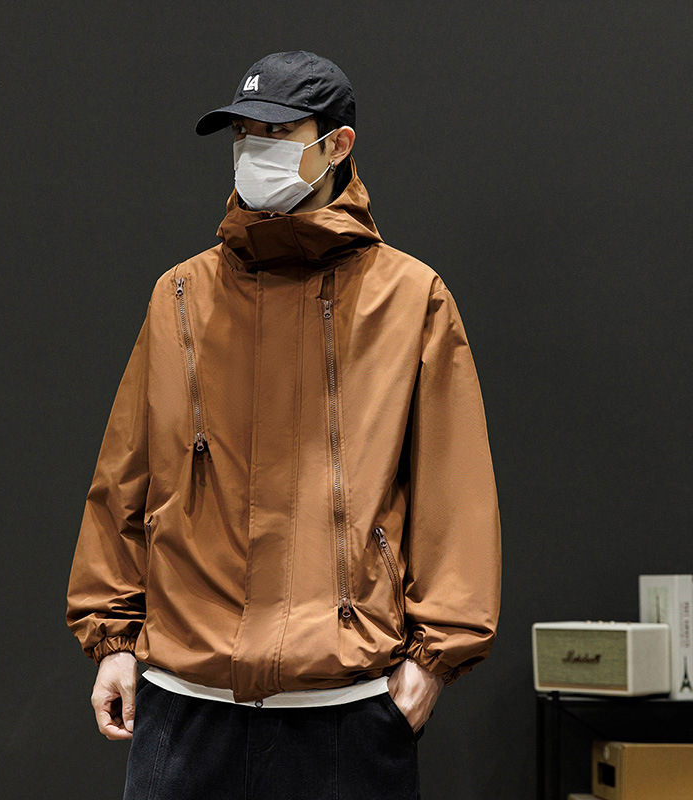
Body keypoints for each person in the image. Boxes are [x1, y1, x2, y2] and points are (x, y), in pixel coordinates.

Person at [66, 49, 502, 800]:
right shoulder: (180, 296)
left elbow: (454, 490)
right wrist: (112, 638)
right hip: (184, 706)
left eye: (274, 132)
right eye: (242, 133)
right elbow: (125, 477)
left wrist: (433, 661)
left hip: (344, 712)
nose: (251, 150)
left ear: (337, 145)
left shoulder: (410, 298)